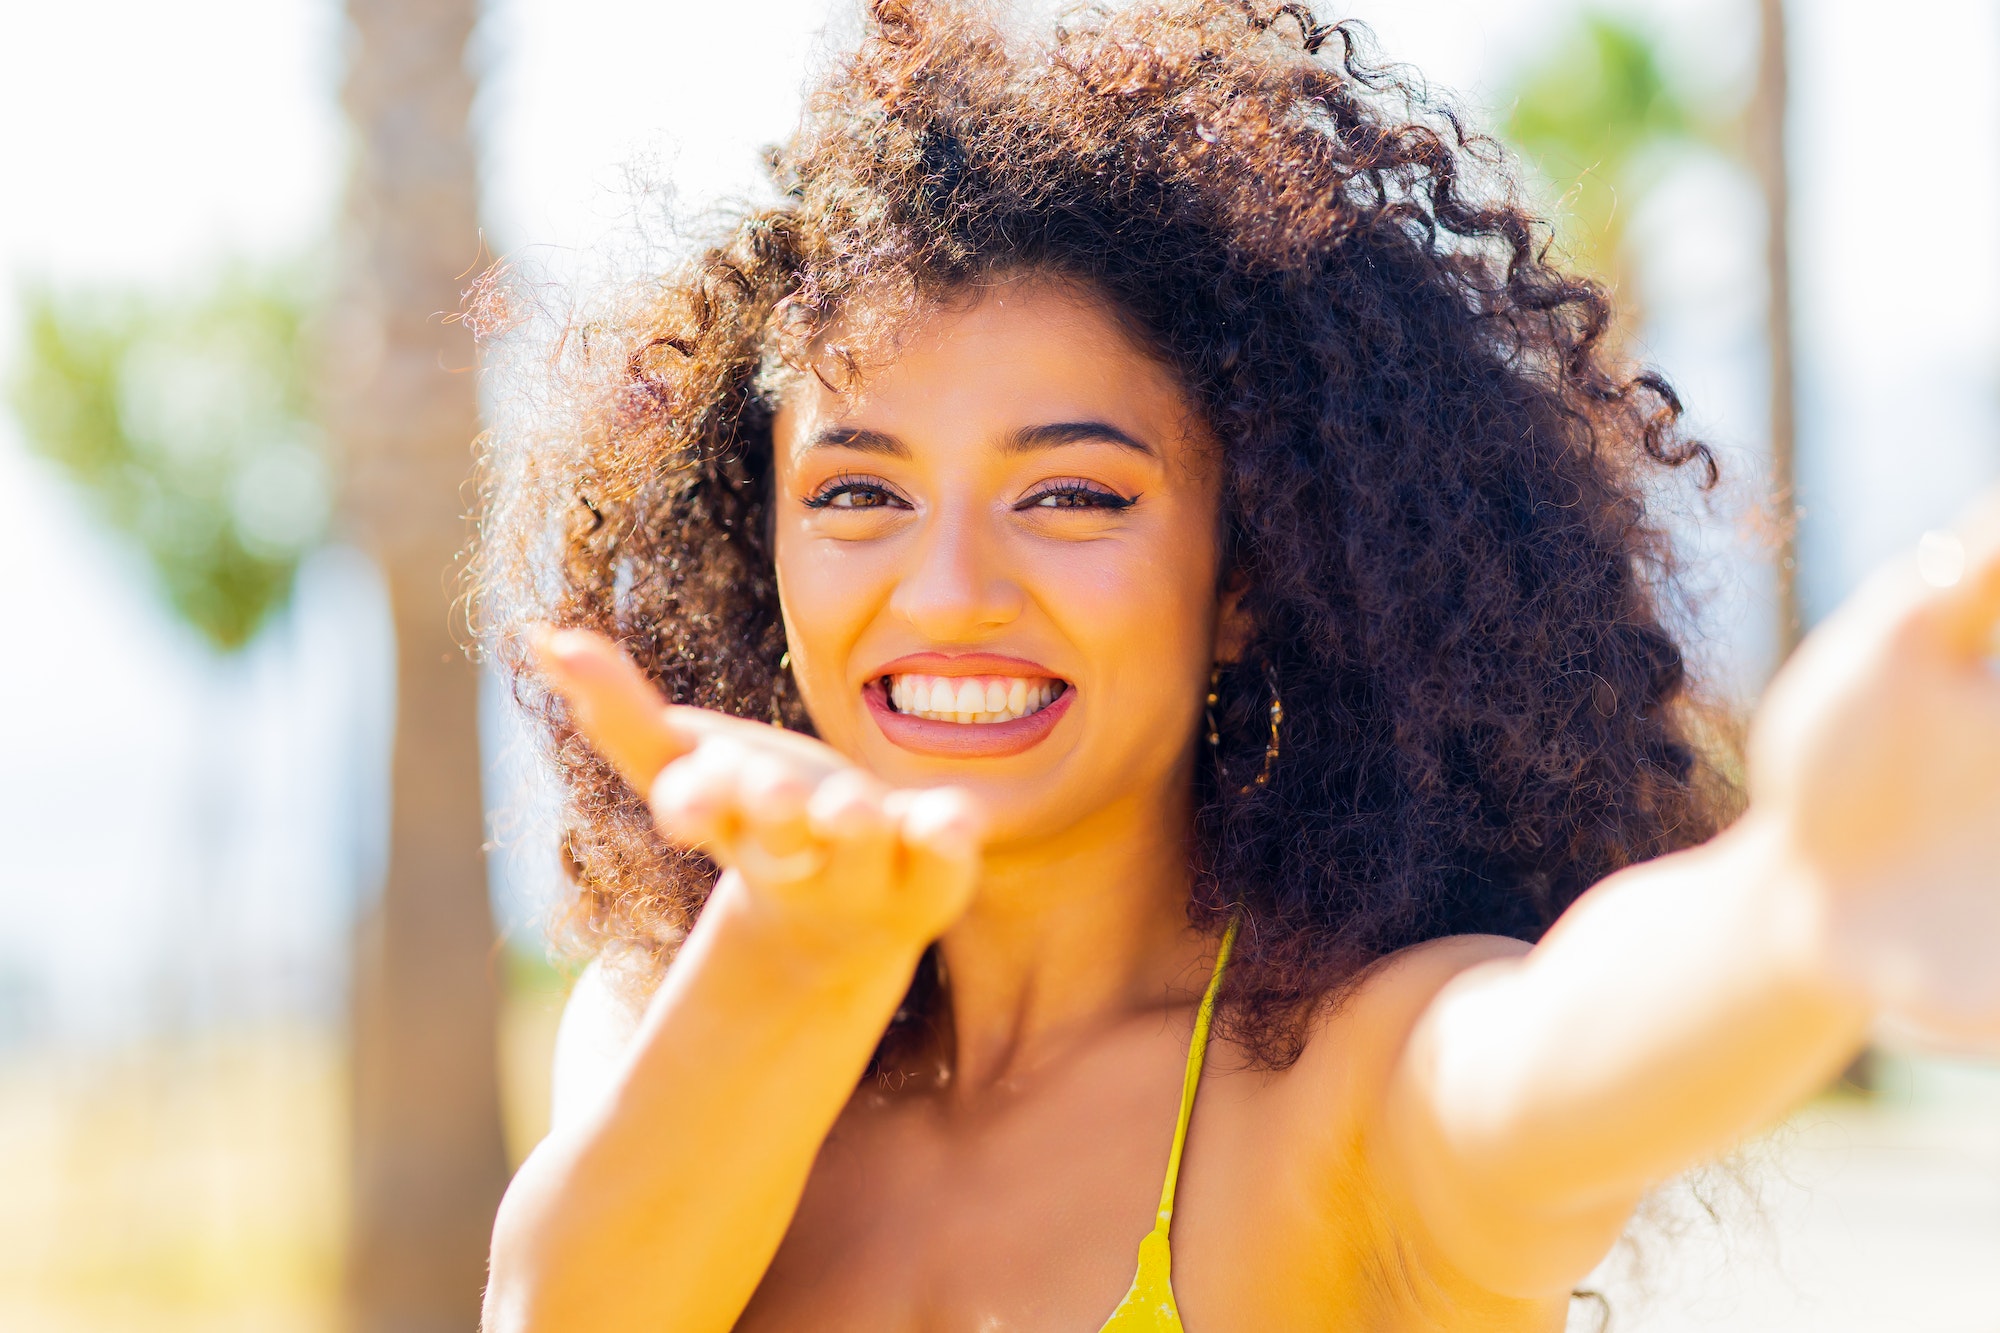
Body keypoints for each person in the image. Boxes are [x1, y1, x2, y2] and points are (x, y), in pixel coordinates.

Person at [473, 3, 2000, 1329]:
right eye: (858, 493)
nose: (946, 593)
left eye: (1072, 494)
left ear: (1245, 583)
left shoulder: (1345, 1087)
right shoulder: (678, 1010)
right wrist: (801, 953)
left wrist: (1806, 899)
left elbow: (1553, 1067)